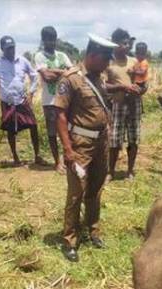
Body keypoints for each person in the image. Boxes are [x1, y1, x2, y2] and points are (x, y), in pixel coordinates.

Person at [53, 34, 116, 262]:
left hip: (101, 142)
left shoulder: (100, 77)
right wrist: (68, 150)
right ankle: (70, 239)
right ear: (91, 55)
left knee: (96, 188)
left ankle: (93, 230)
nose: (108, 63)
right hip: (80, 144)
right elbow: (59, 115)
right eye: (105, 59)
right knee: (76, 192)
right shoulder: (70, 79)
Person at [0, 36, 42, 166]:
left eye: (12, 48)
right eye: (8, 49)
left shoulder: (22, 61)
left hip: (21, 99)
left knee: (33, 125)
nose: (11, 51)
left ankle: (37, 155)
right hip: (7, 101)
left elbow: (34, 76)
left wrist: (31, 92)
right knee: (11, 129)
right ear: (2, 49)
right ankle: (15, 157)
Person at [34, 26, 73, 173]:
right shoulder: (39, 56)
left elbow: (73, 72)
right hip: (49, 101)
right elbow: (47, 77)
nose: (51, 42)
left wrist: (54, 71)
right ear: (43, 40)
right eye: (48, 39)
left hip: (65, 100)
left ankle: (68, 158)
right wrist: (63, 72)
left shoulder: (62, 55)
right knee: (52, 133)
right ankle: (57, 162)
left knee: (67, 131)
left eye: (53, 39)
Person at [105, 28, 142, 181]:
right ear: (115, 44)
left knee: (133, 139)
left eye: (128, 43)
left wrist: (139, 89)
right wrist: (122, 87)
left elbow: (142, 84)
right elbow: (104, 86)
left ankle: (130, 171)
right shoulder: (108, 63)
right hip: (117, 105)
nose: (127, 46)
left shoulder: (134, 62)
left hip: (134, 105)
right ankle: (110, 172)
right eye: (123, 43)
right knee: (114, 141)